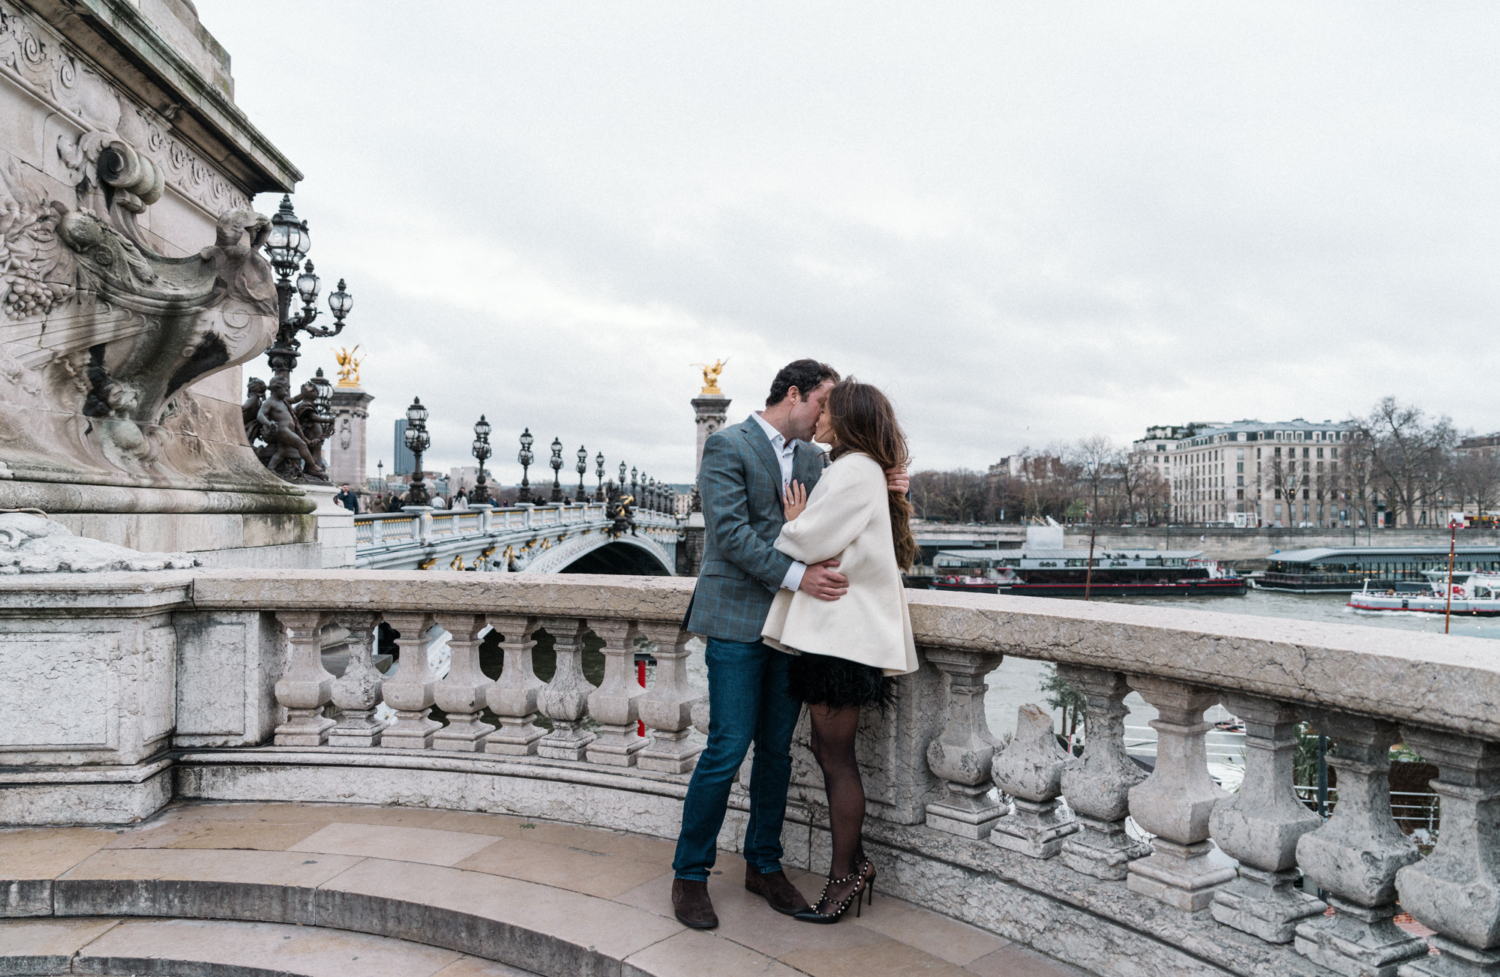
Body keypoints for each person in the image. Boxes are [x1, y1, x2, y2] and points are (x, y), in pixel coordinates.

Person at [670, 359, 908, 930]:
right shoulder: (728, 445)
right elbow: (727, 536)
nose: (826, 415)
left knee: (777, 750)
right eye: (822, 404)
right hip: (736, 619)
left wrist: (898, 479)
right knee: (727, 748)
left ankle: (764, 865)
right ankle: (690, 874)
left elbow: (856, 499)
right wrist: (800, 576)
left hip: (791, 627)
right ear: (795, 395)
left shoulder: (815, 458)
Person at [762, 378, 919, 923]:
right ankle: (853, 866)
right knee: (834, 757)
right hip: (843, 638)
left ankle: (846, 875)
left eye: (827, 408)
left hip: (839, 640)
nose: (818, 415)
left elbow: (808, 541)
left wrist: (792, 522)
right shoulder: (862, 470)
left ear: (847, 418)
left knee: (835, 760)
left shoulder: (852, 471)